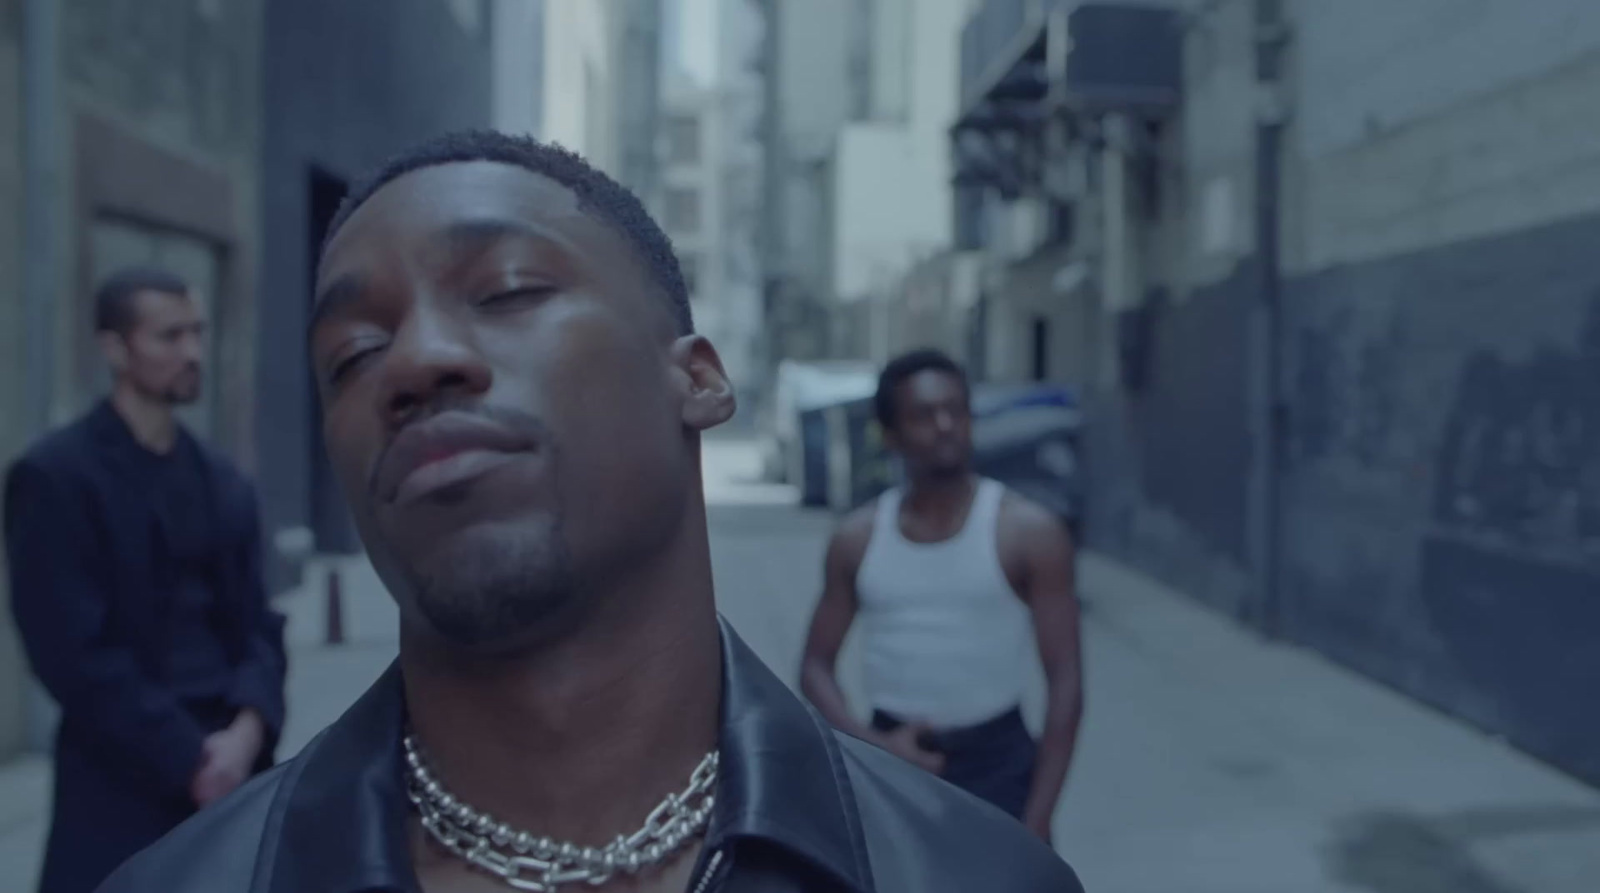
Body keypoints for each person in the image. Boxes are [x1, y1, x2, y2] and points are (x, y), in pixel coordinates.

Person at [97, 131, 1085, 893]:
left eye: (508, 288)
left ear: (696, 377)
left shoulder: (968, 873)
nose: (412, 359)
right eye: (352, 354)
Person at [4, 268, 287, 893]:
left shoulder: (221, 480)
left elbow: (258, 625)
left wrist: (246, 731)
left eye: (197, 332)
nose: (192, 352)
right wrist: (188, 758)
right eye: (169, 336)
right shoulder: (56, 478)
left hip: (233, 777)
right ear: (114, 348)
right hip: (119, 781)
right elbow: (70, 652)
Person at [799, 349, 1085, 842]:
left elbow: (1067, 684)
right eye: (924, 415)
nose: (946, 425)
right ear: (890, 435)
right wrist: (871, 746)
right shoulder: (859, 538)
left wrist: (1039, 819)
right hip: (893, 756)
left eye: (956, 410)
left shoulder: (1027, 532)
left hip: (1001, 762)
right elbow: (814, 667)